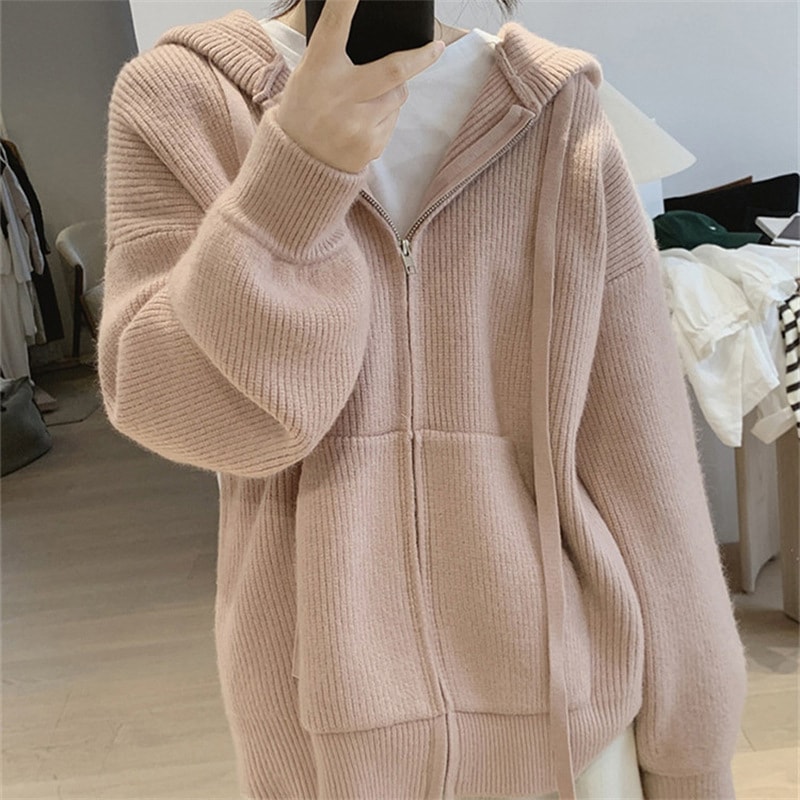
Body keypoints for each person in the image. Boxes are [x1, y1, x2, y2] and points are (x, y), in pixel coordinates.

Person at [97, 1, 748, 798]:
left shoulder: (558, 117)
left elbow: (645, 466)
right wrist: (294, 177)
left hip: (572, 731)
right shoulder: (183, 101)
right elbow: (169, 402)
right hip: (323, 740)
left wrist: (694, 755)